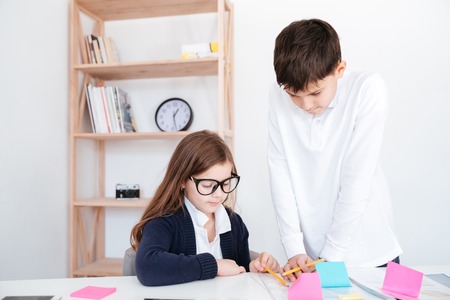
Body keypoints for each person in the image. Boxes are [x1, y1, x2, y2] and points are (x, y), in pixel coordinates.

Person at [267, 19, 403, 281]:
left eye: (316, 93)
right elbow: (279, 171)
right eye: (294, 95)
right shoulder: (276, 95)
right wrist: (294, 248)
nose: (305, 104)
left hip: (370, 255)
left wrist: (331, 257)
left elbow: (356, 179)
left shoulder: (367, 89)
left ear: (340, 69)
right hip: (313, 256)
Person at [130, 130, 280, 286]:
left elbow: (239, 271)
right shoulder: (164, 222)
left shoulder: (234, 224)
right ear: (182, 181)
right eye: (208, 185)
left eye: (226, 183)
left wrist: (253, 268)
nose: (219, 194)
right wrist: (215, 266)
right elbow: (147, 267)